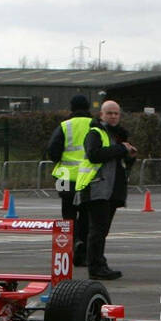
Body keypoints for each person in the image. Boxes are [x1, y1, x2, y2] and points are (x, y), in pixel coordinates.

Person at [76, 100, 137, 281]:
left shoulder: (118, 136)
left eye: (116, 113)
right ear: (101, 115)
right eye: (109, 113)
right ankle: (96, 266)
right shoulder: (95, 133)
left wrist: (129, 155)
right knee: (97, 230)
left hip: (111, 190)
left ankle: (97, 263)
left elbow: (120, 163)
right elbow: (94, 155)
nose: (113, 116)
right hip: (97, 188)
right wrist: (120, 149)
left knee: (101, 230)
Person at [45, 94, 94, 266]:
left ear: (71, 108)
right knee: (86, 214)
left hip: (65, 177)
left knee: (68, 213)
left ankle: (70, 246)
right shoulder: (95, 126)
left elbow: (52, 150)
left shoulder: (65, 126)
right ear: (88, 107)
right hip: (88, 176)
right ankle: (82, 248)